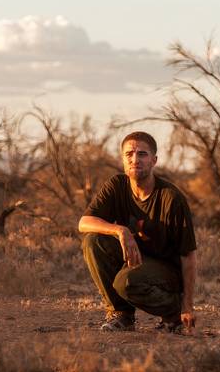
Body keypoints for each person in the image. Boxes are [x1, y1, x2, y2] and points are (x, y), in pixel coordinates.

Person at [78, 131, 197, 333]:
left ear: (154, 160)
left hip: (167, 273)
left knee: (125, 282)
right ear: (123, 159)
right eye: (129, 154)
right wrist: (119, 230)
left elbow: (189, 255)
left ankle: (173, 313)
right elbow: (84, 222)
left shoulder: (171, 198)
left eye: (142, 154)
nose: (135, 159)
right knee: (93, 241)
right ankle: (122, 315)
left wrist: (188, 306)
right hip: (137, 261)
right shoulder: (117, 185)